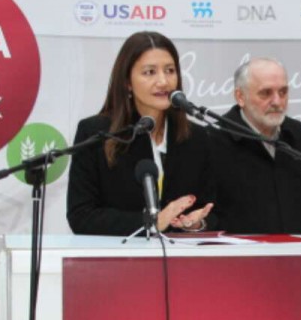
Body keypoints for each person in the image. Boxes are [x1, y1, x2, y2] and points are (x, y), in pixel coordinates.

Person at [67, 32, 214, 236]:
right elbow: (81, 216)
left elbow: (215, 209)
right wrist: (151, 222)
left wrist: (197, 223)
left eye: (170, 71)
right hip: (121, 254)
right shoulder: (96, 133)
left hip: (182, 254)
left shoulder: (197, 137)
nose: (163, 81)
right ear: (127, 81)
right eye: (149, 72)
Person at [208, 57, 301, 237]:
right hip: (242, 253)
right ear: (240, 97)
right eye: (266, 93)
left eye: (283, 92)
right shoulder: (212, 140)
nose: (277, 101)